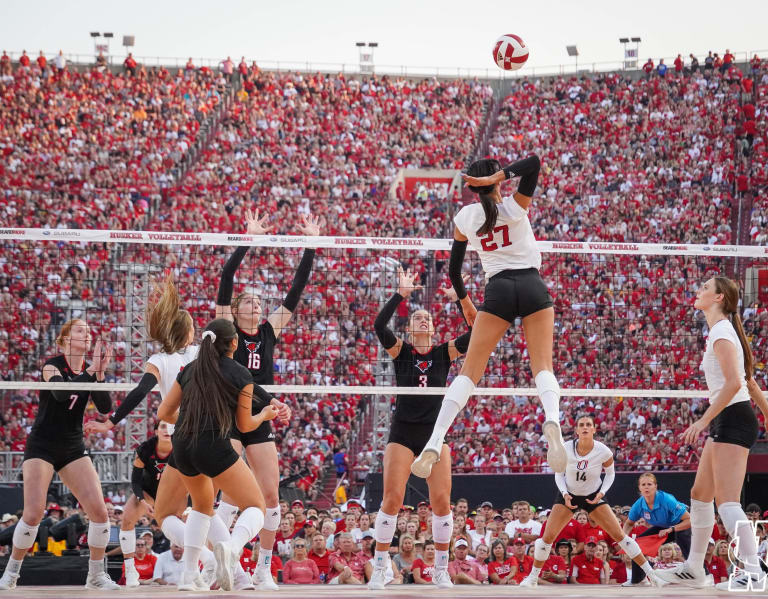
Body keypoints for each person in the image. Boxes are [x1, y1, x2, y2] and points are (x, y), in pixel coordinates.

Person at [411, 156, 566, 481]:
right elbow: (535, 162)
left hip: (497, 291)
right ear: (496, 182)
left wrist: (466, 303)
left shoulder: (465, 217)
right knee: (543, 366)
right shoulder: (514, 206)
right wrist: (502, 175)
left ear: (471, 186)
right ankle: (553, 420)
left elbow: (453, 270)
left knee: (469, 373)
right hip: (532, 284)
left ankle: (435, 440)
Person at [215, 210, 319, 590]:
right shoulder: (227, 331)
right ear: (237, 309)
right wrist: (248, 238)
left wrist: (310, 245)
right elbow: (226, 279)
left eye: (260, 304)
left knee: (270, 493)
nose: (257, 307)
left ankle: (262, 567)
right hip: (230, 413)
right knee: (229, 491)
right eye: (250, 304)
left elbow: (296, 290)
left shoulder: (269, 330)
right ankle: (223, 562)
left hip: (262, 413)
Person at [83, 274, 212, 581]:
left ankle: (209, 561)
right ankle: (220, 565)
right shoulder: (199, 353)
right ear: (189, 331)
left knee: (170, 514)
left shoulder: (159, 359)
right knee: (202, 509)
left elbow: (140, 392)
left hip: (184, 438)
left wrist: (111, 422)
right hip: (208, 434)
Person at [657, 277, 768, 590]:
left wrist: (702, 421)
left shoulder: (721, 331)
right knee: (699, 495)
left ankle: (755, 574)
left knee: (728, 502)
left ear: (719, 297)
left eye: (704, 287)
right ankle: (694, 568)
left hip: (732, 418)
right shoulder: (722, 330)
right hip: (730, 418)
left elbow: (735, 383)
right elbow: (748, 379)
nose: (698, 290)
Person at [157, 318, 278, 591]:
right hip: (213, 444)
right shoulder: (240, 374)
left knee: (201, 506)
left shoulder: (189, 369)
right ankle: (232, 548)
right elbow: (245, 425)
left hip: (183, 445)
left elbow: (163, 413)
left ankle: (189, 575)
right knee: (257, 506)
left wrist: (189, 422)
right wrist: (265, 415)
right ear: (234, 343)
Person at [369, 268, 470, 589]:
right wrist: (401, 293)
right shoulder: (402, 351)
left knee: (441, 501)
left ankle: (441, 569)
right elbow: (377, 326)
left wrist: (460, 300)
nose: (424, 320)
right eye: (417, 318)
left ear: (433, 326)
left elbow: (480, 329)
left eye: (427, 317)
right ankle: (382, 567)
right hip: (403, 432)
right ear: (410, 328)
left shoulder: (444, 352)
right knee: (392, 500)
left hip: (434, 433)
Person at [0, 320, 118, 590]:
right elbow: (61, 394)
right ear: (64, 340)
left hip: (72, 446)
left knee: (100, 513)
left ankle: (96, 576)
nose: (87, 334)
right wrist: (91, 369)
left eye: (89, 331)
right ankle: (11, 573)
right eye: (80, 330)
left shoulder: (88, 370)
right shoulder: (52, 365)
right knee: (33, 513)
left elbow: (104, 407)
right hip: (42, 445)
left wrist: (99, 373)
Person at [519, 415, 663, 587]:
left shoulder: (604, 451)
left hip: (593, 495)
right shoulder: (565, 448)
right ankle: (533, 578)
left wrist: (602, 493)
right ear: (577, 430)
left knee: (619, 535)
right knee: (547, 537)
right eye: (581, 425)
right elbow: (559, 473)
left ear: (594, 429)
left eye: (588, 425)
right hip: (569, 494)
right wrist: (564, 493)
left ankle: (651, 575)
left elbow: (610, 474)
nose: (585, 427)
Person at [117, 420, 173, 587]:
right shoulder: (145, 449)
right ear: (156, 431)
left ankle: (198, 566)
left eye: (171, 426)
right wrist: (142, 500)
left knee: (194, 518)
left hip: (171, 493)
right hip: (148, 492)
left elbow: (191, 478)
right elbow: (135, 480)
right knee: (127, 519)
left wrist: (189, 504)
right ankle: (130, 569)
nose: (167, 430)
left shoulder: (182, 447)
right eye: (162, 426)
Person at [622, 472, 691, 585]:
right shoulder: (638, 505)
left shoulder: (667, 499)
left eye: (649, 484)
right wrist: (624, 539)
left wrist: (671, 529)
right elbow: (629, 524)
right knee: (638, 545)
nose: (646, 487)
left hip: (681, 524)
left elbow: (689, 520)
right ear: (639, 487)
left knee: (686, 545)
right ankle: (638, 580)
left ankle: (704, 576)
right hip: (662, 527)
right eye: (643, 485)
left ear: (655, 486)